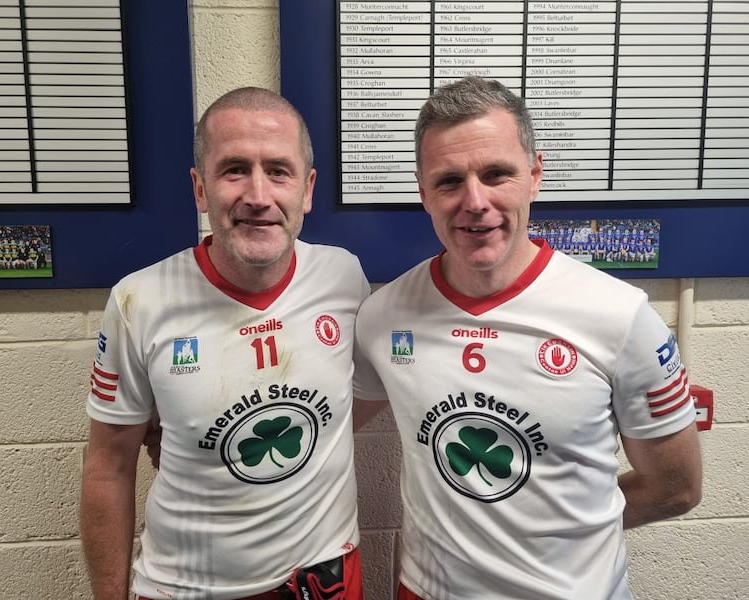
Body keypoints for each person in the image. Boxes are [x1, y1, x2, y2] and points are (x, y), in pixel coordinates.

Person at [351, 76, 702, 600]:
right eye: (449, 181)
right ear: (423, 191)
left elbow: (677, 488)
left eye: (497, 174)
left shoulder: (621, 316)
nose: (475, 201)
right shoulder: (382, 316)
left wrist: (563, 532)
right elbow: (327, 433)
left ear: (534, 175)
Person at [80, 87, 370, 600]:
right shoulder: (139, 300)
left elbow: (358, 395)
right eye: (234, 169)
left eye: (278, 171)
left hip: (325, 578)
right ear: (200, 188)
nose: (258, 196)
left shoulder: (343, 276)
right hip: (187, 586)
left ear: (307, 189)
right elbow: (109, 466)